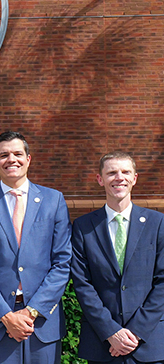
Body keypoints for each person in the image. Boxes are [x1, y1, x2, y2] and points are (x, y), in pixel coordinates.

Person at [0, 131, 72, 364]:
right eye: (4, 155)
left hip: (42, 321)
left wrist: (32, 310)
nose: (11, 159)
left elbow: (62, 262)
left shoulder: (53, 200)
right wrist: (5, 316)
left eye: (17, 153)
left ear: (28, 159)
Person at [71, 151, 164, 364]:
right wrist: (112, 332)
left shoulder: (158, 223)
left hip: (149, 344)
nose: (119, 177)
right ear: (100, 179)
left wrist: (135, 332)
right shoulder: (83, 227)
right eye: (111, 172)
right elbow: (82, 284)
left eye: (125, 172)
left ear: (134, 178)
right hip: (102, 344)